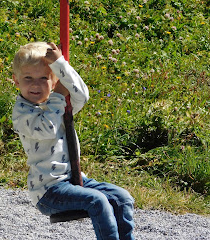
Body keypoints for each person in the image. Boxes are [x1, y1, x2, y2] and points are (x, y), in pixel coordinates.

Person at [12, 42, 135, 240]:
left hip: (75, 181)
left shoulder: (57, 103)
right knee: (98, 201)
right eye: (28, 78)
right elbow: (47, 128)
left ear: (53, 81)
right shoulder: (22, 113)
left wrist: (61, 66)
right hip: (48, 191)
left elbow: (82, 95)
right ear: (16, 81)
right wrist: (59, 94)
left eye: (44, 78)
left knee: (122, 198)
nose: (36, 84)